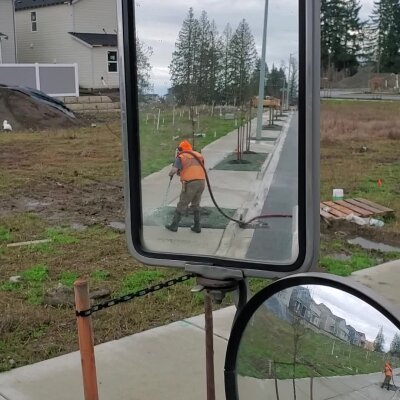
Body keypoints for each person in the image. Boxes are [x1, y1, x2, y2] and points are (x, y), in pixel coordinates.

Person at [165, 140, 205, 233]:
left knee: (182, 203)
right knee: (196, 204)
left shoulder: (181, 156)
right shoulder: (198, 155)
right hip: (201, 182)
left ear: (180, 149)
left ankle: (174, 226)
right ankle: (197, 226)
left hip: (191, 184)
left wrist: (170, 174)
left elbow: (174, 170)